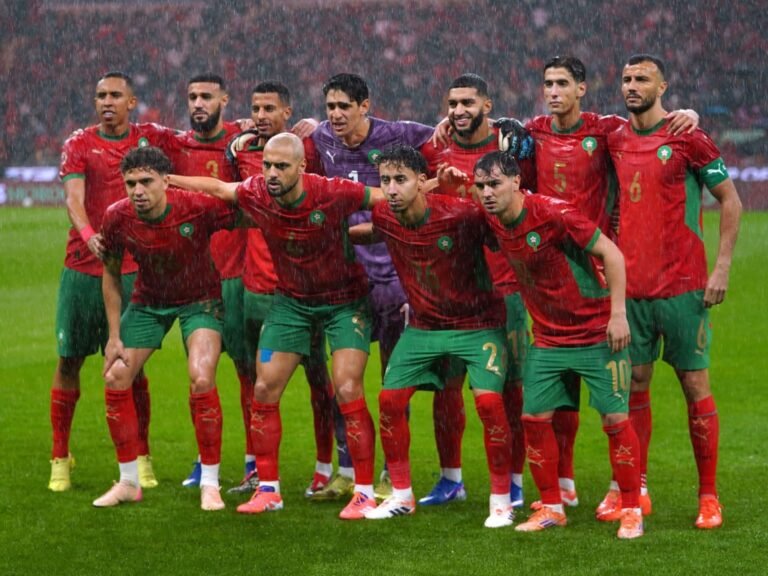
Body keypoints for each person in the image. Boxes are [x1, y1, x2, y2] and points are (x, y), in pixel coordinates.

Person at [169, 133, 384, 520]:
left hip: (343, 302)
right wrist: (170, 179)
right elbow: (218, 188)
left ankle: (365, 493)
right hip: (291, 303)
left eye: (281, 166)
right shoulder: (256, 191)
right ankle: (269, 489)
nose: (271, 173)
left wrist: (432, 191)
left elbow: (385, 198)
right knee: (264, 388)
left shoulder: (331, 191)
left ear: (301, 167)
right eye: (267, 164)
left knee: (347, 387)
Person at [475, 150, 644, 539]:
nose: (486, 193)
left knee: (615, 421)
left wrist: (618, 314)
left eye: (494, 184)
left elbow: (612, 254)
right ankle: (552, 507)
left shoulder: (552, 213)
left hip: (596, 333)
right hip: (549, 338)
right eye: (480, 186)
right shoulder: (492, 218)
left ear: (517, 182)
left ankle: (632, 509)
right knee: (534, 419)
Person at [606, 54, 741, 529]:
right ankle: (636, 487)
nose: (632, 85)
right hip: (632, 289)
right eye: (626, 78)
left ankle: (709, 496)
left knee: (694, 385)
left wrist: (721, 268)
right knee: (636, 384)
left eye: (642, 79)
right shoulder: (614, 137)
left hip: (684, 287)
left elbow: (730, 200)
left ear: (662, 86)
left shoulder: (688, 136)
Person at [307, 73, 452, 502]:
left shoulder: (398, 135)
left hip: (393, 281)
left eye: (344, 107)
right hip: (346, 282)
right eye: (330, 107)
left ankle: (391, 472)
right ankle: (347, 470)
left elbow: (447, 142)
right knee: (343, 381)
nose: (335, 115)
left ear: (365, 106)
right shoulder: (321, 138)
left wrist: (447, 124)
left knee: (393, 384)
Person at [359, 145, 515, 528]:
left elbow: (503, 233)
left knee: (489, 403)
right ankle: (401, 496)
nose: (391, 189)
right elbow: (369, 233)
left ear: (421, 182)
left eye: (400, 180)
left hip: (477, 323)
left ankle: (501, 501)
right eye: (385, 180)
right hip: (425, 327)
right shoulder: (383, 215)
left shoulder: (461, 215)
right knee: (390, 400)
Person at [94, 146, 238, 511]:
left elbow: (243, 213)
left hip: (200, 300)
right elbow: (110, 272)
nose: (138, 191)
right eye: (131, 184)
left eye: (146, 182)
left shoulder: (197, 207)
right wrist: (114, 337)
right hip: (149, 302)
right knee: (115, 376)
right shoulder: (117, 217)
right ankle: (128, 482)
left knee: (201, 378)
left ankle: (210, 483)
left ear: (165, 181)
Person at [50, 71, 167, 492]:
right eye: (101, 95)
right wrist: (89, 237)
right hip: (82, 268)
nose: (107, 102)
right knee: (69, 361)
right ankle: (60, 457)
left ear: (132, 102)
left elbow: (198, 137)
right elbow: (73, 199)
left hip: (134, 269)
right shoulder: (79, 143)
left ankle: (142, 454)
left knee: (132, 365)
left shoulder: (149, 139)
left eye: (116, 95)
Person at [226, 81, 341, 498]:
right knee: (252, 380)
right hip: (253, 286)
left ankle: (324, 467)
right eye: (255, 108)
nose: (260, 115)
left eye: (269, 108)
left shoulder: (308, 149)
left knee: (318, 379)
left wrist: (318, 124)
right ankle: (255, 467)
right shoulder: (240, 150)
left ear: (287, 112)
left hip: (300, 287)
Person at [421, 73, 528, 508]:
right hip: (451, 289)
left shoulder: (514, 148)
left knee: (510, 389)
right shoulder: (434, 150)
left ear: (488, 105)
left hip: (504, 286)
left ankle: (515, 481)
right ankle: (451, 478)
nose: (459, 111)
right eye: (453, 104)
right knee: (447, 388)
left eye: (468, 102)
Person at [162, 73, 252, 490]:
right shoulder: (176, 147)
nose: (198, 103)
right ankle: (205, 459)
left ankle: (253, 461)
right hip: (195, 282)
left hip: (237, 276)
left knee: (248, 374)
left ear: (224, 100)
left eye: (206, 97)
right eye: (192, 96)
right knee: (200, 375)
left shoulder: (241, 141)